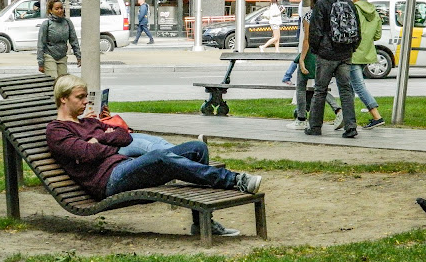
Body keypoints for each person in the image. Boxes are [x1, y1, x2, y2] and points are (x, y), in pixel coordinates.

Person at [46, 75, 263, 237]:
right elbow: (85, 153)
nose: (86, 102)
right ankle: (234, 180)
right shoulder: (57, 131)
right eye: (80, 97)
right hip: (107, 180)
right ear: (63, 99)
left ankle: (201, 223)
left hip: (125, 166)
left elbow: (124, 136)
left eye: (86, 96)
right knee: (159, 155)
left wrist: (100, 140)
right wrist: (105, 141)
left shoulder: (90, 122)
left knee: (198, 148)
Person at [306, 0, 361, 138]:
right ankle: (350, 127)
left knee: (320, 90)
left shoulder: (321, 5)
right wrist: (352, 48)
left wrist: (317, 50)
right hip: (345, 54)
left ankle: (315, 126)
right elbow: (357, 29)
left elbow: (314, 33)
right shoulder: (348, 3)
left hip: (326, 55)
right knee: (346, 90)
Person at [286, 0, 344, 130]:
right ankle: (338, 109)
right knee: (320, 87)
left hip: (311, 53)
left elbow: (307, 39)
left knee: (301, 85)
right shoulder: (328, 11)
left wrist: (302, 58)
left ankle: (301, 118)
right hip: (325, 52)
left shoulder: (309, 14)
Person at [350, 0, 385, 129]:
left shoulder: (353, 10)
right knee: (351, 87)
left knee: (358, 86)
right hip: (367, 53)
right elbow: (377, 35)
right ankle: (348, 118)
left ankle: (376, 116)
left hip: (353, 53)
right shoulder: (375, 12)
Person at [37, 0, 81, 78]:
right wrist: (40, 63)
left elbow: (74, 40)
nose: (60, 10)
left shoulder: (67, 23)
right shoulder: (46, 24)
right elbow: (40, 44)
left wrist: (78, 56)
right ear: (50, 10)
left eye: (61, 8)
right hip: (49, 55)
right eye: (56, 9)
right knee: (54, 80)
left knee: (62, 82)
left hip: (62, 56)